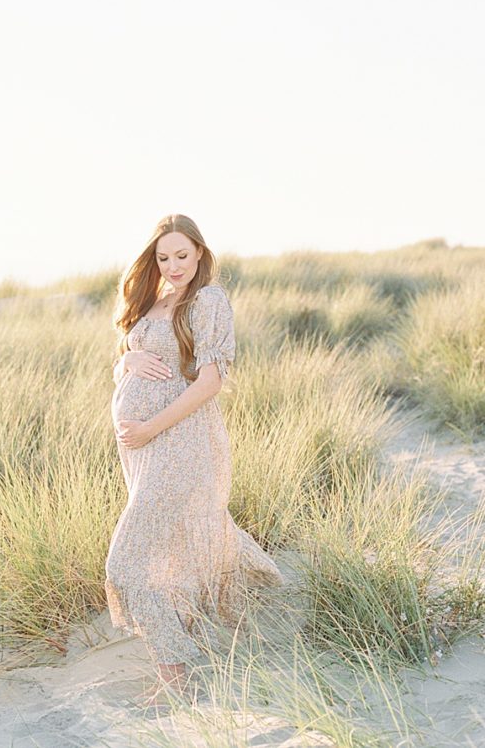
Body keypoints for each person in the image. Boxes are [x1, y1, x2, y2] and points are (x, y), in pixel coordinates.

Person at [105, 214, 285, 707]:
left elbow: (210, 383)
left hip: (180, 444)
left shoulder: (208, 300)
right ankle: (259, 601)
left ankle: (176, 677)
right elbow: (130, 353)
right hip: (143, 453)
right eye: (163, 257)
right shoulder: (155, 301)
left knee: (125, 562)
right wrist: (125, 361)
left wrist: (147, 427)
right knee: (180, 541)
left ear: (200, 253)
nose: (173, 265)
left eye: (182, 255)